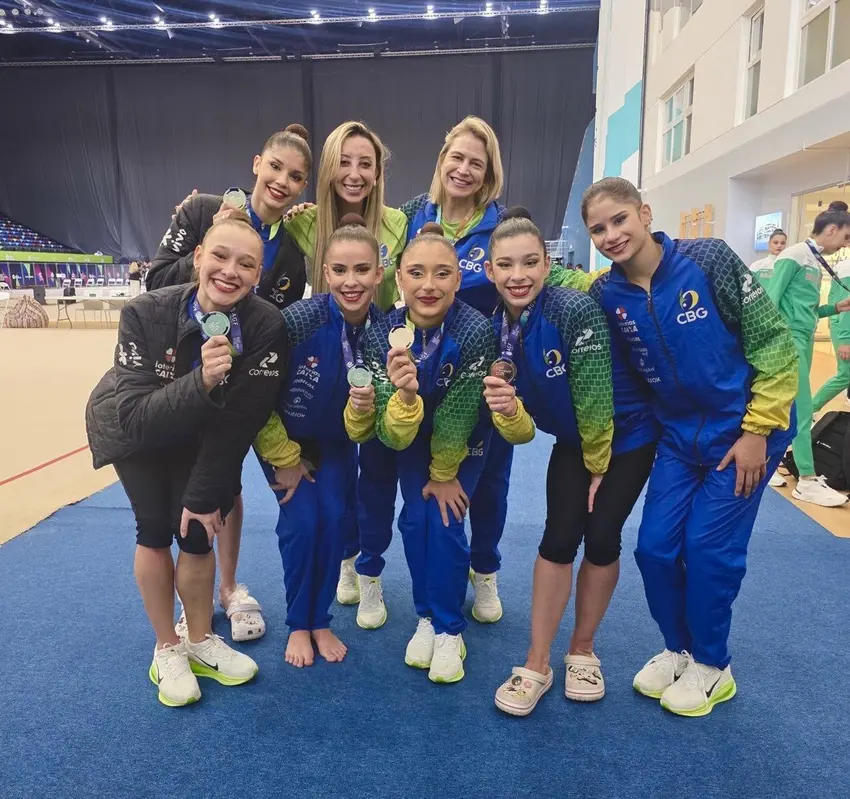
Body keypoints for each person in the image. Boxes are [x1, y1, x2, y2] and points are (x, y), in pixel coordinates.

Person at [582, 177, 798, 717]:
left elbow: (774, 342)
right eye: (598, 229)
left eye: (619, 219)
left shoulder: (708, 259)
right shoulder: (606, 294)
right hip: (679, 439)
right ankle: (678, 649)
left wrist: (758, 430)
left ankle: (713, 664)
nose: (611, 235)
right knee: (653, 549)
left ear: (644, 213)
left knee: (706, 549)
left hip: (746, 432)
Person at [85, 211, 288, 707]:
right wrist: (201, 382)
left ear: (258, 274)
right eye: (219, 256)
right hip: (133, 432)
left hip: (203, 431)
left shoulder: (265, 326)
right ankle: (167, 648)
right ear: (198, 257)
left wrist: (202, 496)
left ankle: (199, 640)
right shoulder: (144, 312)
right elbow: (135, 418)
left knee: (198, 530)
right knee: (155, 528)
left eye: (245, 264)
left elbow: (239, 421)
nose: (230, 271)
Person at [481, 210, 659, 716]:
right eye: (506, 265)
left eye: (530, 262)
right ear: (490, 271)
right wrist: (510, 413)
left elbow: (597, 396)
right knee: (557, 540)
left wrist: (599, 464)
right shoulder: (498, 329)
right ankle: (537, 661)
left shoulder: (573, 309)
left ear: (547, 263)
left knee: (601, 536)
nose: (519, 275)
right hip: (573, 439)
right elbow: (522, 432)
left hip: (624, 436)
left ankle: (583, 650)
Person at [143, 125, 312, 640]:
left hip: (239, 382)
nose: (281, 181)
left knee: (226, 480)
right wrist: (208, 246)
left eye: (295, 176)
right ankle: (190, 607)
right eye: (276, 167)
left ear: (303, 187)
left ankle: (228, 585)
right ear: (257, 163)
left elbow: (273, 323)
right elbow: (155, 280)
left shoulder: (292, 249)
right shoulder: (201, 211)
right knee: (180, 490)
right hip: (180, 372)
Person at [345, 224, 495, 684]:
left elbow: (461, 411)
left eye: (442, 273)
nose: (429, 285)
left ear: (458, 279)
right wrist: (406, 397)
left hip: (465, 440)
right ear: (399, 279)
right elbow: (389, 435)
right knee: (415, 520)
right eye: (416, 273)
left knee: (444, 518)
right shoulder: (381, 335)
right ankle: (427, 616)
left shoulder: (475, 329)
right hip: (410, 440)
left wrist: (446, 472)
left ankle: (450, 628)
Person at [282, 121, 407, 608]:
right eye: (344, 162)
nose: (354, 173)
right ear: (329, 168)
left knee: (375, 475)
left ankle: (369, 567)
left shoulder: (398, 223)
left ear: (378, 173)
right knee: (335, 474)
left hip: (379, 352)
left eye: (365, 164)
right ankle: (347, 558)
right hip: (327, 356)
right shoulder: (303, 221)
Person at [253, 214, 385, 667]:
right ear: (325, 273)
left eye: (362, 270)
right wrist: (284, 457)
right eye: (340, 270)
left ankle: (320, 620)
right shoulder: (297, 321)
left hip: (336, 445)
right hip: (284, 440)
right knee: (303, 524)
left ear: (379, 274)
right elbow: (255, 393)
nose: (351, 281)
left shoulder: (385, 332)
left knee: (334, 522)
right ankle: (298, 623)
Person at [761, 201, 850, 504]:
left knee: (789, 410)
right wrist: (775, 346)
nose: (844, 245)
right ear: (832, 229)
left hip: (805, 340)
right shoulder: (795, 255)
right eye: (845, 237)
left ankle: (770, 462)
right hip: (790, 343)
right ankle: (807, 479)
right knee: (801, 410)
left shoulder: (813, 260)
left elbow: (807, 310)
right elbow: (770, 302)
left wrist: (835, 307)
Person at [812, 252, 850, 412]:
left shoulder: (842, 266)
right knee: (845, 375)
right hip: (844, 330)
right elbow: (846, 308)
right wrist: (845, 340)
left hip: (841, 327)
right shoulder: (847, 268)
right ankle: (810, 409)